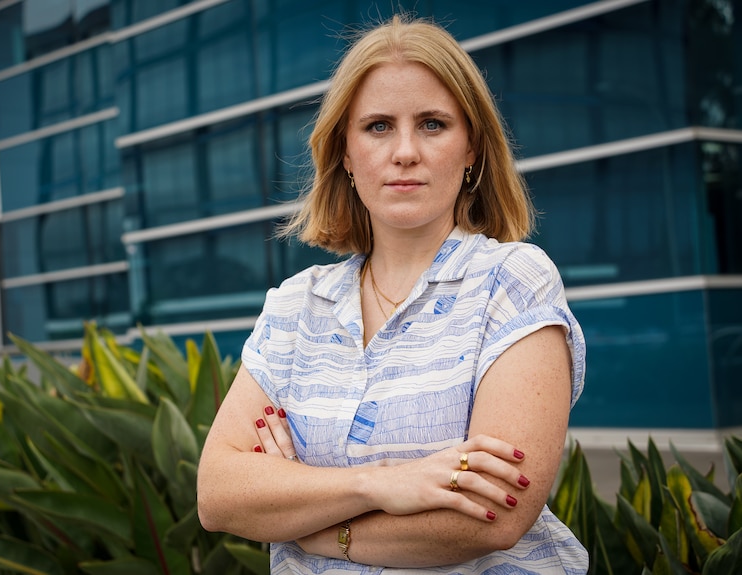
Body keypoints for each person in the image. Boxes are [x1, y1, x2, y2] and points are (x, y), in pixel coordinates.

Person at [197, 14, 587, 574]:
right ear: (346, 155)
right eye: (378, 126)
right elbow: (217, 493)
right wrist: (382, 484)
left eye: (433, 124)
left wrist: (310, 526)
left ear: (472, 147)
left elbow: (495, 513)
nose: (405, 151)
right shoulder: (293, 307)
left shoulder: (513, 281)